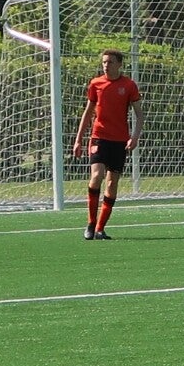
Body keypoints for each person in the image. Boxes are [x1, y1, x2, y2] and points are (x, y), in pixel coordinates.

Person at [70, 49, 143, 240]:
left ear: (119, 64)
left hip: (119, 141)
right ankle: (90, 224)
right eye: (104, 62)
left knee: (112, 183)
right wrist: (78, 140)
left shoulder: (129, 85)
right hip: (99, 137)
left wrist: (134, 137)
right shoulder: (96, 84)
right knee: (96, 176)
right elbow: (88, 113)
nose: (106, 65)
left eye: (110, 62)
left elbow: (139, 115)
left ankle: (100, 229)